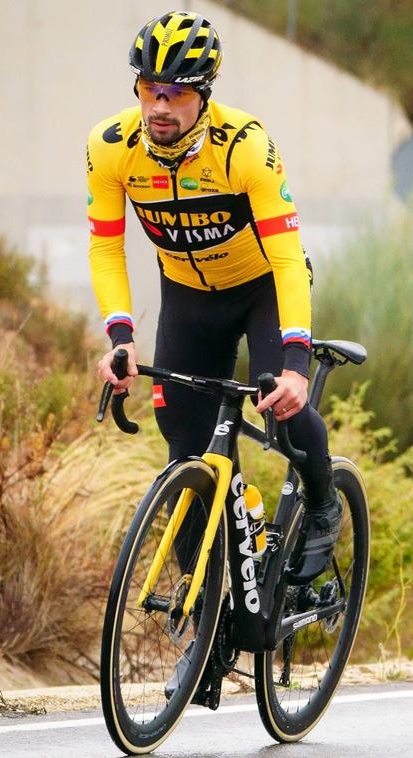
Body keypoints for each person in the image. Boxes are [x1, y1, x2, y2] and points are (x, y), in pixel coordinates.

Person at [87, 11, 339, 584]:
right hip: (188, 297)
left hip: (263, 290)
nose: (159, 107)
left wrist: (296, 363)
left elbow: (286, 256)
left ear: (203, 96)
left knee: (287, 407)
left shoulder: (245, 146)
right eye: (149, 89)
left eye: (175, 94)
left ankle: (323, 501)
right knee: (185, 455)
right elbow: (106, 248)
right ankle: (204, 620)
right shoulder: (110, 147)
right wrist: (120, 338)